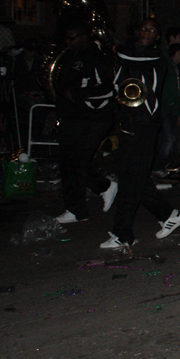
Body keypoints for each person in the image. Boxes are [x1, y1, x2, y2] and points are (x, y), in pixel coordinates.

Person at [101, 18, 180, 250]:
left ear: (158, 36)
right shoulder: (128, 53)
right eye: (144, 28)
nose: (147, 32)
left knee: (130, 180)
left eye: (152, 29)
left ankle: (123, 233)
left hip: (146, 124)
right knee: (133, 176)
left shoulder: (158, 57)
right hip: (128, 122)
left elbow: (136, 63)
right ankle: (169, 214)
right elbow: (118, 81)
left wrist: (117, 48)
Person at [54, 22, 118, 224]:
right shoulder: (69, 56)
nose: (67, 43)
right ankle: (76, 210)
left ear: (83, 37)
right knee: (67, 163)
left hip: (94, 118)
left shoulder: (97, 57)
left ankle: (104, 186)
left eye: (71, 38)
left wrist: (77, 95)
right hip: (72, 117)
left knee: (78, 162)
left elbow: (110, 88)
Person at [151, 27, 180, 175]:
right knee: (168, 139)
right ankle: (159, 166)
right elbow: (169, 90)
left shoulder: (175, 68)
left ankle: (165, 165)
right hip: (167, 109)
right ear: (177, 54)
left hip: (171, 109)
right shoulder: (168, 67)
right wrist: (172, 107)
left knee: (170, 139)